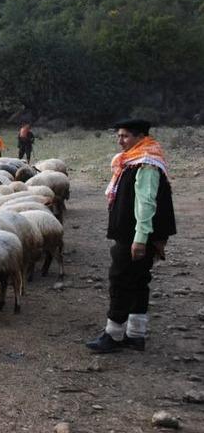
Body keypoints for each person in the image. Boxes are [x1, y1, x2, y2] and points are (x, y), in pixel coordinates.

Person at [86, 119, 176, 354]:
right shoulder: (135, 160)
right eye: (119, 136)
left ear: (140, 137)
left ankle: (113, 335)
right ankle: (136, 334)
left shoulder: (145, 164)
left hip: (133, 235)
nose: (120, 140)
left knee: (120, 280)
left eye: (125, 136)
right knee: (138, 280)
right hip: (135, 234)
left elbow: (146, 203)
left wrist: (140, 237)